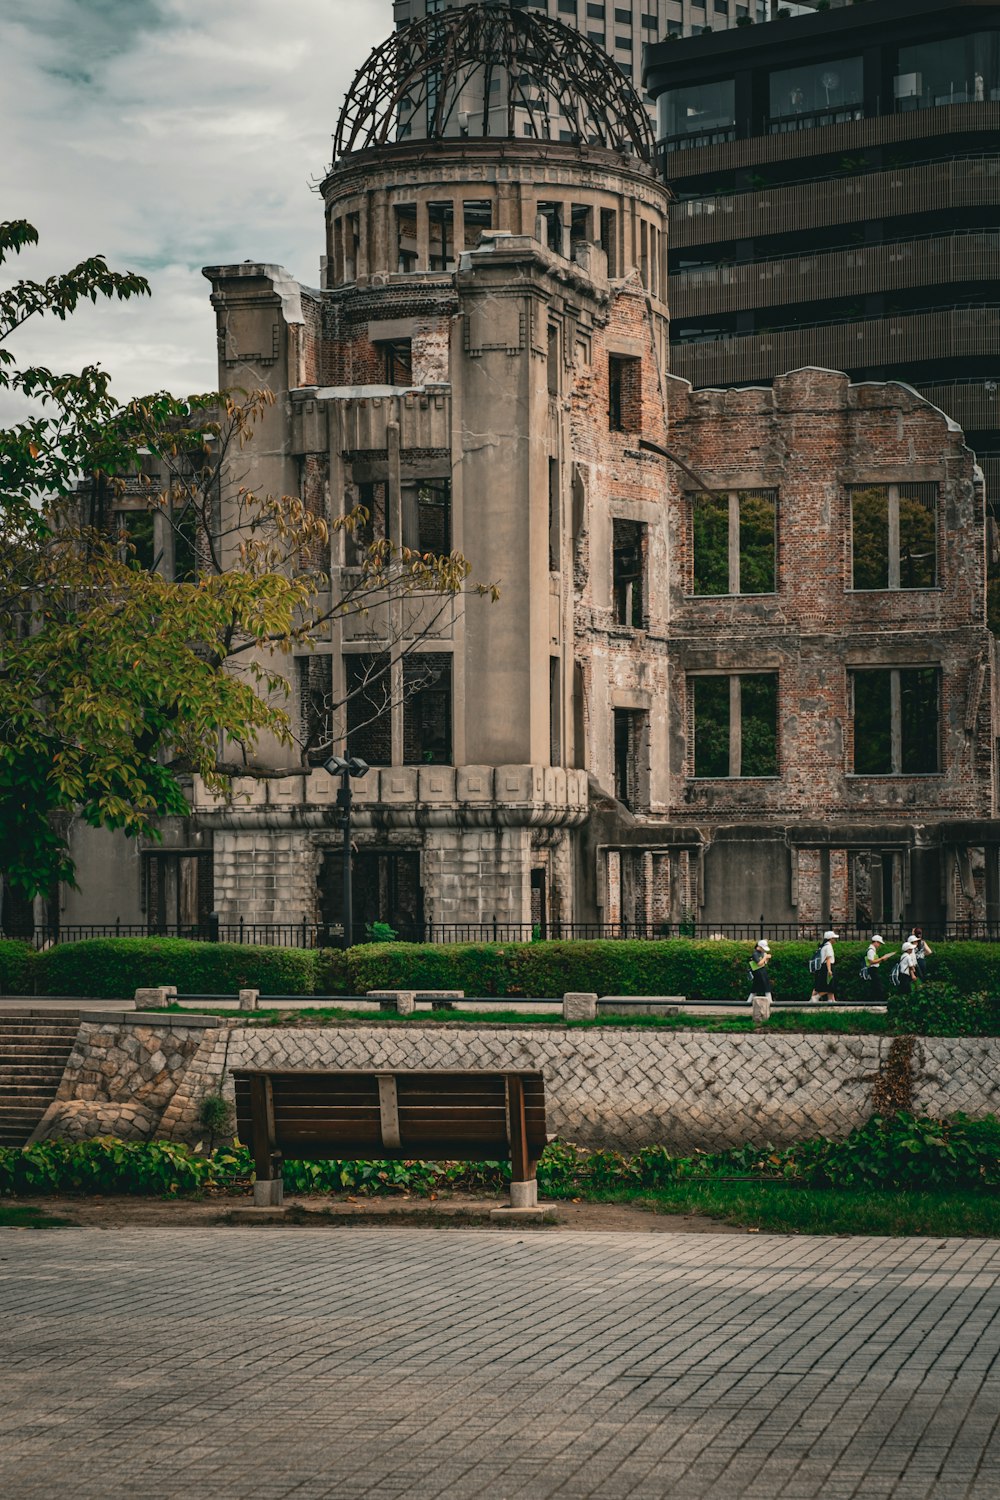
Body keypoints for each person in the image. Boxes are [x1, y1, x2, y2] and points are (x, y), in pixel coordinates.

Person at [862, 933, 895, 1004]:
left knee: (875, 985)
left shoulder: (872, 950)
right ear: (876, 942)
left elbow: (875, 961)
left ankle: (874, 1000)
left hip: (874, 969)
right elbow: (871, 961)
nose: (879, 945)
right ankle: (878, 1001)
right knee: (877, 985)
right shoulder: (871, 950)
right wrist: (882, 958)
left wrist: (881, 959)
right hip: (872, 970)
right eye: (879, 943)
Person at [810, 929, 838, 1004]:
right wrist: (829, 970)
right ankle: (816, 997)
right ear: (830, 939)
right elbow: (828, 959)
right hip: (828, 966)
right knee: (828, 985)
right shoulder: (828, 946)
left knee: (829, 984)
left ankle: (831, 999)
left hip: (823, 967)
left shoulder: (824, 946)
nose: (835, 940)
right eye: (834, 938)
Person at [748, 938, 773, 1020]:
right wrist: (765, 957)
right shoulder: (755, 954)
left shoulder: (762, 953)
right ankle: (770, 1001)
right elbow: (759, 963)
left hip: (762, 971)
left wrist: (766, 958)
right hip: (758, 972)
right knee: (765, 986)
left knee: (756, 987)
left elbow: (764, 963)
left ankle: (748, 1001)